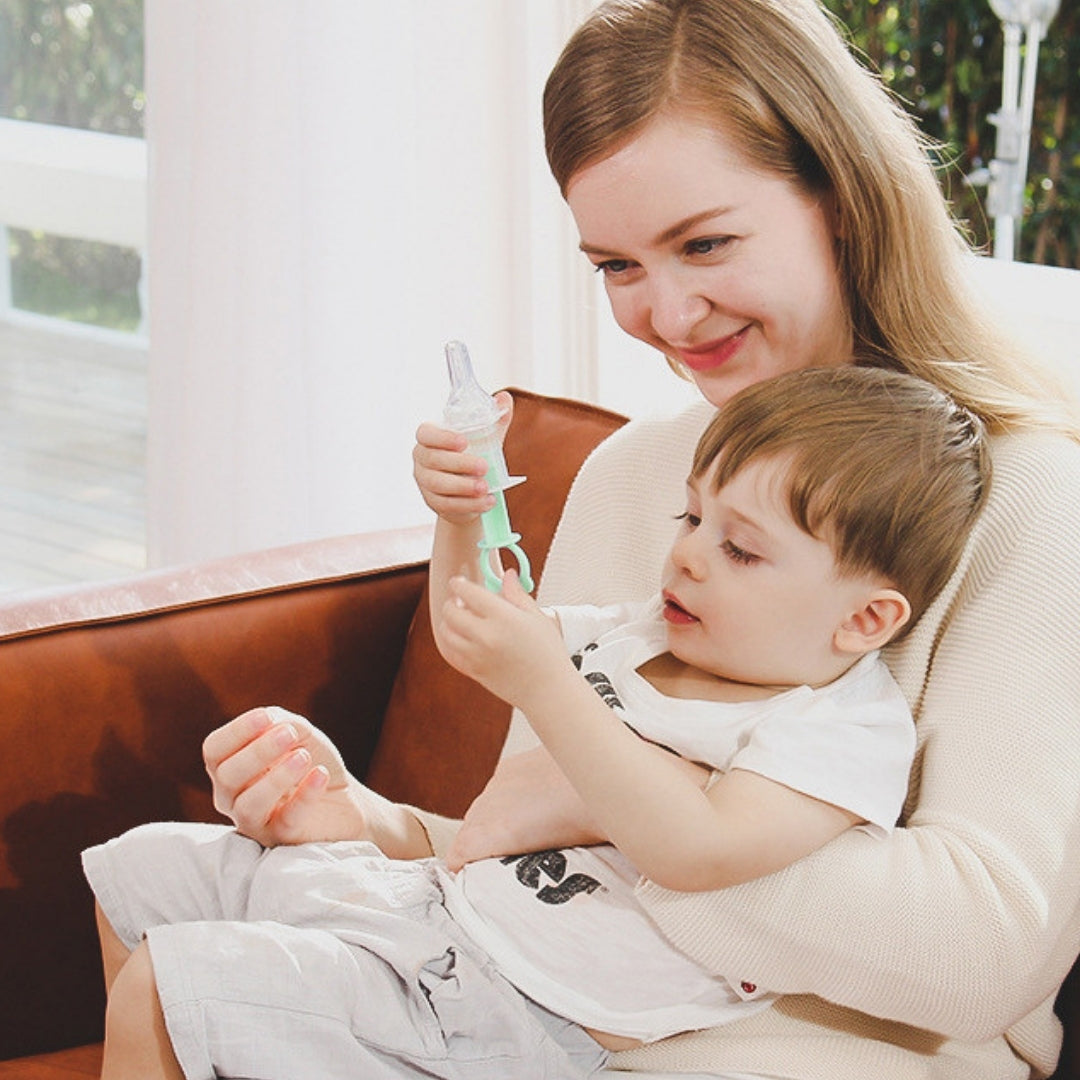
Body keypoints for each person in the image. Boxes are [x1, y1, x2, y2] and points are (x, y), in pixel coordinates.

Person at [137, 0, 1080, 1076]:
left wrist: (618, 800)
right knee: (168, 904)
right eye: (617, 267)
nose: (668, 316)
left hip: (826, 1048)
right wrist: (373, 823)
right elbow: (549, 861)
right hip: (571, 999)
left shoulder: (1038, 505)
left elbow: (977, 962)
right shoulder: (639, 473)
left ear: (846, 200)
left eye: (706, 243)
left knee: (184, 998)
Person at [83, 365, 989, 1078]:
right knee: (142, 874)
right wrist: (461, 516)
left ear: (865, 619)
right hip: (437, 917)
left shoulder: (838, 729)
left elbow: (699, 848)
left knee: (172, 984)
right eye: (693, 514)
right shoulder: (643, 634)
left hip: (520, 1018)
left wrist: (550, 688)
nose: (689, 555)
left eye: (741, 547)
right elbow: (474, 624)